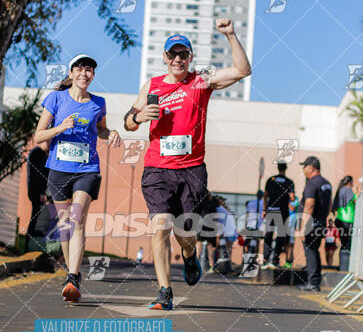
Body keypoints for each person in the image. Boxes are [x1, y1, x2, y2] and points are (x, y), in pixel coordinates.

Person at [124, 18, 251, 310]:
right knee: (160, 227)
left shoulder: (200, 80)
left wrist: (230, 34)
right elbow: (128, 122)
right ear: (165, 58)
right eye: (173, 54)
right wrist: (139, 117)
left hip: (192, 170)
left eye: (183, 54)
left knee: (185, 232)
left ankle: (190, 255)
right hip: (157, 168)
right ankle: (165, 292)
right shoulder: (152, 86)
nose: (178, 59)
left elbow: (243, 71)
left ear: (190, 58)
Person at [35, 54, 121, 302]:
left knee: (77, 219)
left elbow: (101, 129)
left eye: (90, 70)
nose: (85, 73)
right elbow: (39, 136)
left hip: (87, 169)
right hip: (59, 169)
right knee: (65, 226)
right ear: (71, 73)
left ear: (93, 76)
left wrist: (111, 132)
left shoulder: (98, 103)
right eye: (80, 69)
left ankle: (73, 277)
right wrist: (61, 127)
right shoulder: (55, 98)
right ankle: (70, 274)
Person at [297, 156, 332, 292]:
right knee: (314, 251)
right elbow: (329, 204)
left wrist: (303, 227)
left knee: (310, 252)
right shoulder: (326, 183)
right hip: (321, 222)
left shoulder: (312, 183)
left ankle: (312, 283)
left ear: (311, 167)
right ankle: (314, 281)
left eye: (304, 166)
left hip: (312, 224)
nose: (303, 169)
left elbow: (309, 204)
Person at [262, 162, 295, 270]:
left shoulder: (271, 180)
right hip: (283, 212)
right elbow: (292, 198)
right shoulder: (289, 182)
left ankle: (265, 259)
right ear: (286, 169)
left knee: (268, 234)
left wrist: (264, 209)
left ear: (277, 168)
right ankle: (275, 260)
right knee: (281, 236)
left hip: (271, 210)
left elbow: (265, 195)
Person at [26, 142, 49, 251]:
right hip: (37, 193)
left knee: (37, 221)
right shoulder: (37, 153)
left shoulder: (44, 154)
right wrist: (41, 192)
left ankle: (33, 249)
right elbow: (37, 175)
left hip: (41, 193)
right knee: (36, 222)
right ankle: (29, 249)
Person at [332, 175, 358, 272]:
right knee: (349, 245)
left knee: (343, 245)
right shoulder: (350, 191)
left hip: (339, 219)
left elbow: (335, 207)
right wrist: (356, 191)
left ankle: (342, 267)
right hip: (348, 221)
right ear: (350, 183)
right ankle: (346, 268)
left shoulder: (340, 190)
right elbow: (358, 201)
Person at [196, 192, 219, 273]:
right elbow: (216, 217)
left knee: (198, 245)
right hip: (210, 227)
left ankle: (194, 265)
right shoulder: (214, 205)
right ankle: (212, 266)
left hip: (201, 225)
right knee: (210, 247)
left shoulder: (200, 204)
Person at [285, 193, 299, 269]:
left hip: (292, 225)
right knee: (285, 244)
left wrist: (286, 201)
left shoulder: (296, 200)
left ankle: (289, 261)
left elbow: (292, 208)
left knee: (291, 244)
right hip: (285, 224)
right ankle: (286, 260)